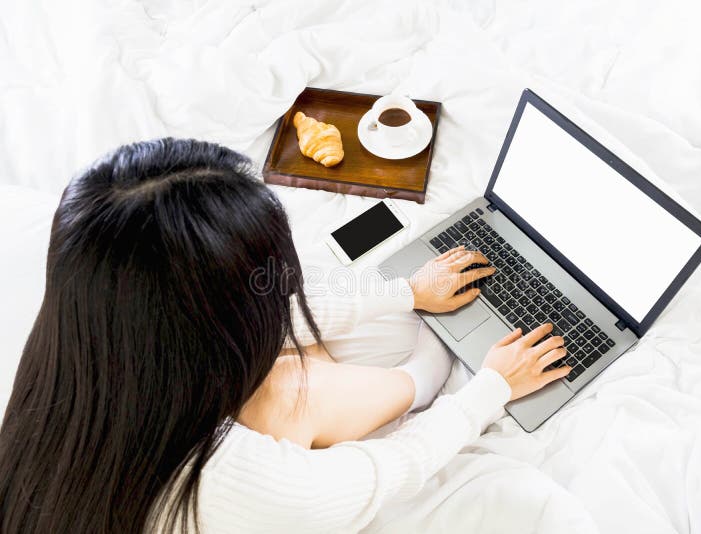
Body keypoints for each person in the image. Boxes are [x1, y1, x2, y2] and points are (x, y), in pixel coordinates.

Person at [0, 138, 571, 533]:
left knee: (296, 373)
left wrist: (405, 292)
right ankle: (420, 378)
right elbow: (388, 470)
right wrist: (489, 388)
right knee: (289, 386)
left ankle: (409, 374)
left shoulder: (78, 337)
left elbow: (251, 309)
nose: (282, 288)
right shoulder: (245, 485)